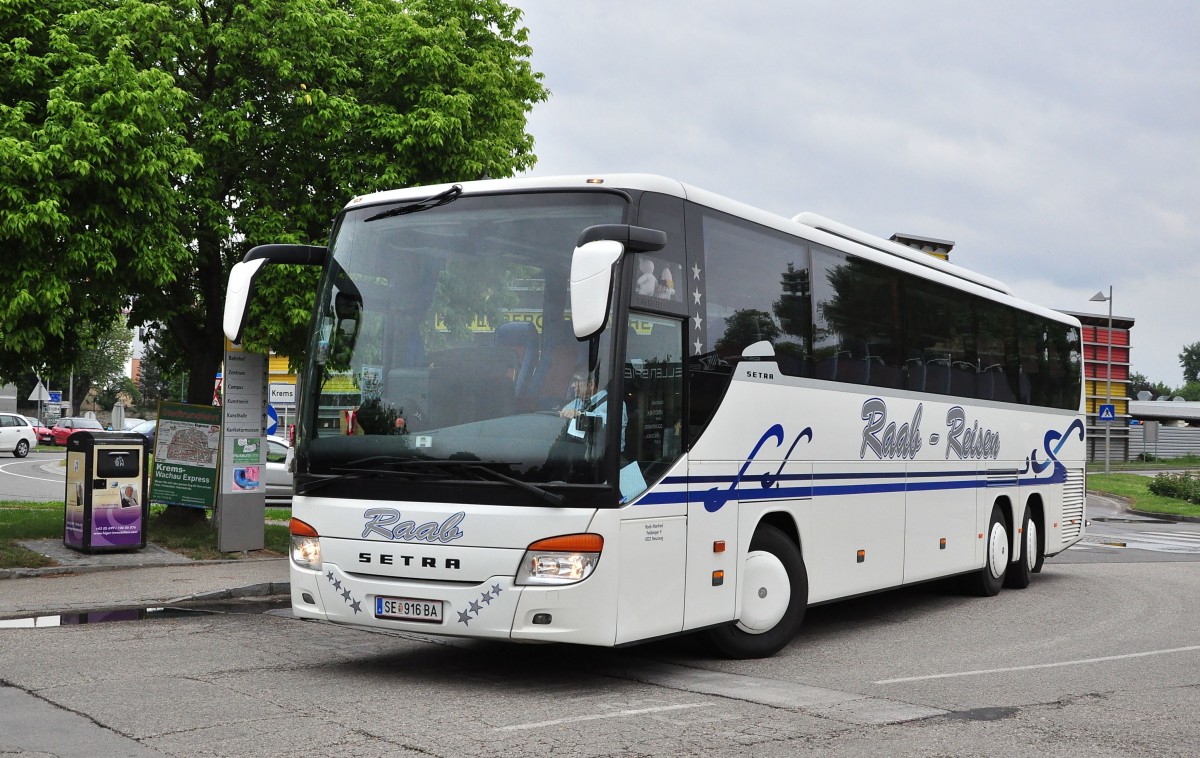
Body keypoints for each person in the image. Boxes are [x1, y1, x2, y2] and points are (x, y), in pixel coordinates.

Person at [560, 370, 627, 450]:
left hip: (607, 458)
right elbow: (562, 414)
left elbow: (607, 421)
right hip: (579, 455)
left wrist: (581, 415)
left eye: (576, 381)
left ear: (591, 384)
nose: (572, 385)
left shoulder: (615, 403)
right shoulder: (578, 401)